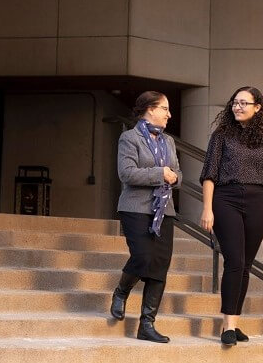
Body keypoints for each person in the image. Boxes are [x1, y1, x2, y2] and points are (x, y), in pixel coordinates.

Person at [199, 86, 263, 346]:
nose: (237, 107)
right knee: (234, 261)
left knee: (246, 265)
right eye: (235, 102)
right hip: (226, 199)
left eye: (244, 103)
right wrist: (207, 208)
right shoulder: (222, 136)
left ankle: (234, 321)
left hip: (257, 202)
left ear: (258, 107)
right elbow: (209, 174)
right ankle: (227, 326)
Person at [110, 91, 182, 343]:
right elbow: (126, 173)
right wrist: (160, 173)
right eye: (165, 108)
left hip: (164, 209)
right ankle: (121, 291)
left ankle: (147, 325)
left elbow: (178, 174)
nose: (169, 114)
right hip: (135, 207)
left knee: (160, 267)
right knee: (142, 257)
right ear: (150, 109)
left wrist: (173, 177)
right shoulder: (129, 138)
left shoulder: (169, 141)